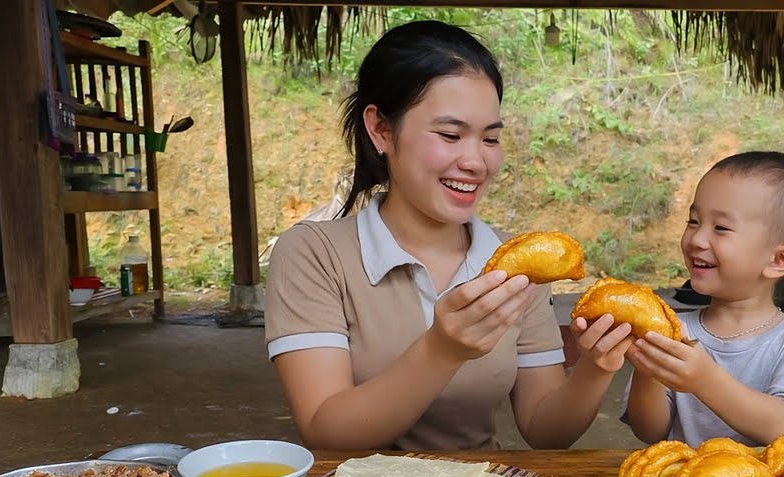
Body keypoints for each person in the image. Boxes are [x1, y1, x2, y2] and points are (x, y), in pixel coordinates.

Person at [264, 21, 633, 451]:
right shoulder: (314, 254)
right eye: (450, 135)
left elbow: (544, 430)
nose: (476, 162)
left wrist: (595, 368)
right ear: (381, 130)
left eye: (490, 138)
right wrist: (441, 351)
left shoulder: (513, 263)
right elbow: (326, 432)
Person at [624, 151, 784, 447]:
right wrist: (648, 371)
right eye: (693, 221)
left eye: (720, 227)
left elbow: (783, 427)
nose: (696, 239)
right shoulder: (674, 330)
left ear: (780, 259)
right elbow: (650, 431)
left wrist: (703, 379)